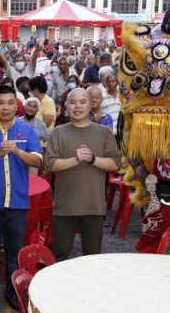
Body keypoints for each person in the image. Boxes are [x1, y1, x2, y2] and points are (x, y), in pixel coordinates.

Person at [0, 85, 42, 311]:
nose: (5, 107)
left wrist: (17, 152)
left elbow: (37, 161)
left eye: (10, 103)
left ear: (16, 105)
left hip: (17, 202)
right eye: (0, 103)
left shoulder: (27, 131)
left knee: (15, 252)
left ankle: (13, 292)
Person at [45, 88, 121, 260]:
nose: (77, 106)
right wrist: (76, 159)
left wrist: (93, 159)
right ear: (65, 106)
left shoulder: (104, 132)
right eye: (72, 102)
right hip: (65, 207)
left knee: (92, 258)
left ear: (91, 105)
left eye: (82, 102)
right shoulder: (58, 132)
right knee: (60, 256)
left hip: (93, 207)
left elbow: (115, 163)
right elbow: (50, 164)